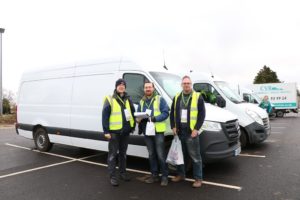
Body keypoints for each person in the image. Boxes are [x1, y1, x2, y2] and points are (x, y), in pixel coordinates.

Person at [170, 75, 206, 188]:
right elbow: (172, 113)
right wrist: (173, 126)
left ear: (191, 84)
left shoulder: (197, 96)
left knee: (195, 156)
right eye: (184, 83)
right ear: (181, 85)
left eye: (188, 83)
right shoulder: (176, 97)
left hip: (191, 132)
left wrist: (196, 129)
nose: (186, 85)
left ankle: (198, 178)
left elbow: (202, 114)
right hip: (180, 131)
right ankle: (181, 175)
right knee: (180, 155)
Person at [102, 78, 136, 186]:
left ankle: (123, 173)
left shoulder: (128, 99)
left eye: (123, 85)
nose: (121, 86)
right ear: (116, 87)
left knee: (123, 154)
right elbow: (105, 116)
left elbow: (132, 113)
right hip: (114, 133)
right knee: (112, 155)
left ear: (125, 87)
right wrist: (106, 131)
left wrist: (133, 126)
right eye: (119, 85)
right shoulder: (110, 98)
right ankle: (112, 176)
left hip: (125, 132)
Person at [137, 81, 170, 186]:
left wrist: (155, 118)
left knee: (160, 155)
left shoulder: (160, 99)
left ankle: (164, 176)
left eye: (149, 87)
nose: (148, 89)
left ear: (153, 88)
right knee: (151, 155)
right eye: (146, 87)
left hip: (158, 131)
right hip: (147, 132)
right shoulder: (141, 102)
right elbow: (138, 115)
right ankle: (154, 175)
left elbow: (166, 113)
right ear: (144, 89)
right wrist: (138, 119)